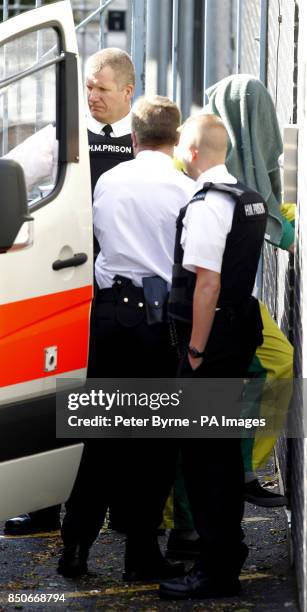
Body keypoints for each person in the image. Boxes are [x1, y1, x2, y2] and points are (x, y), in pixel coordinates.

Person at [57, 95, 195, 580]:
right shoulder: (185, 188)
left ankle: (75, 546)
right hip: (161, 321)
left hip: (111, 315)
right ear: (176, 140)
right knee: (155, 441)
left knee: (101, 436)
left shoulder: (109, 180)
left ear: (133, 138)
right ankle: (141, 554)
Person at [4, 47, 135, 537]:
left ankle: (126, 509)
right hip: (66, 282)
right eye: (88, 88)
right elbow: (12, 175)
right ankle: (43, 506)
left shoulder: (146, 140)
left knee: (124, 401)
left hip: (125, 295)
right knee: (60, 394)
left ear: (128, 91)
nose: (92, 97)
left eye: (102, 89)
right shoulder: (66, 136)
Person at [159, 113, 267, 600]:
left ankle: (216, 570)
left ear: (195, 152)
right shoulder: (248, 198)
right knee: (220, 456)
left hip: (211, 347)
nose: (179, 146)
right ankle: (225, 559)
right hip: (237, 337)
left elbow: (208, 282)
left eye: (182, 142)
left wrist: (196, 350)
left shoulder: (207, 205)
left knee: (206, 464)